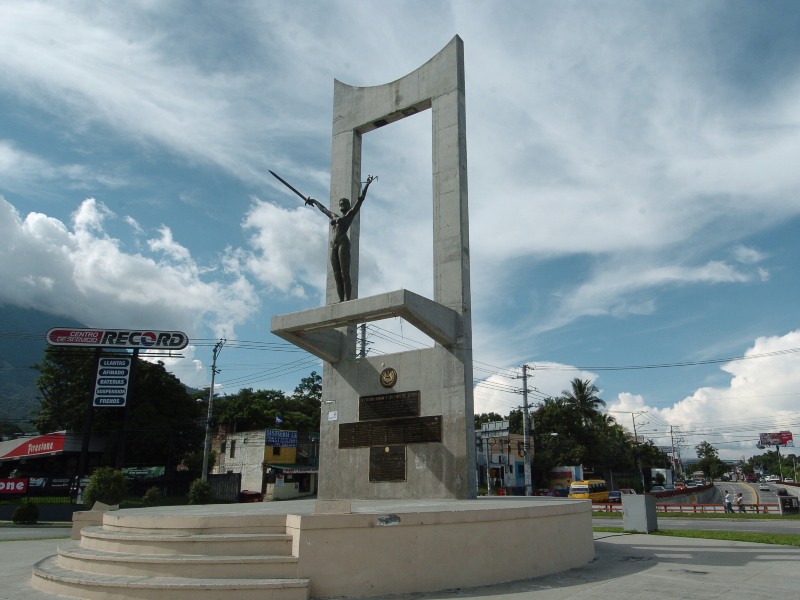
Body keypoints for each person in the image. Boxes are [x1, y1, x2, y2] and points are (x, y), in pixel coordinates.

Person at [306, 175, 376, 302]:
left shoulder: (349, 214)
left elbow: (360, 199)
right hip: (333, 245)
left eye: (344, 203)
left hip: (343, 243)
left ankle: (347, 300)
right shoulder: (334, 216)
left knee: (344, 273)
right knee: (336, 274)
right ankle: (341, 300)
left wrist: (366, 185)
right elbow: (323, 209)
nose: (342, 205)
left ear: (348, 206)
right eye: (340, 204)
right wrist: (314, 201)